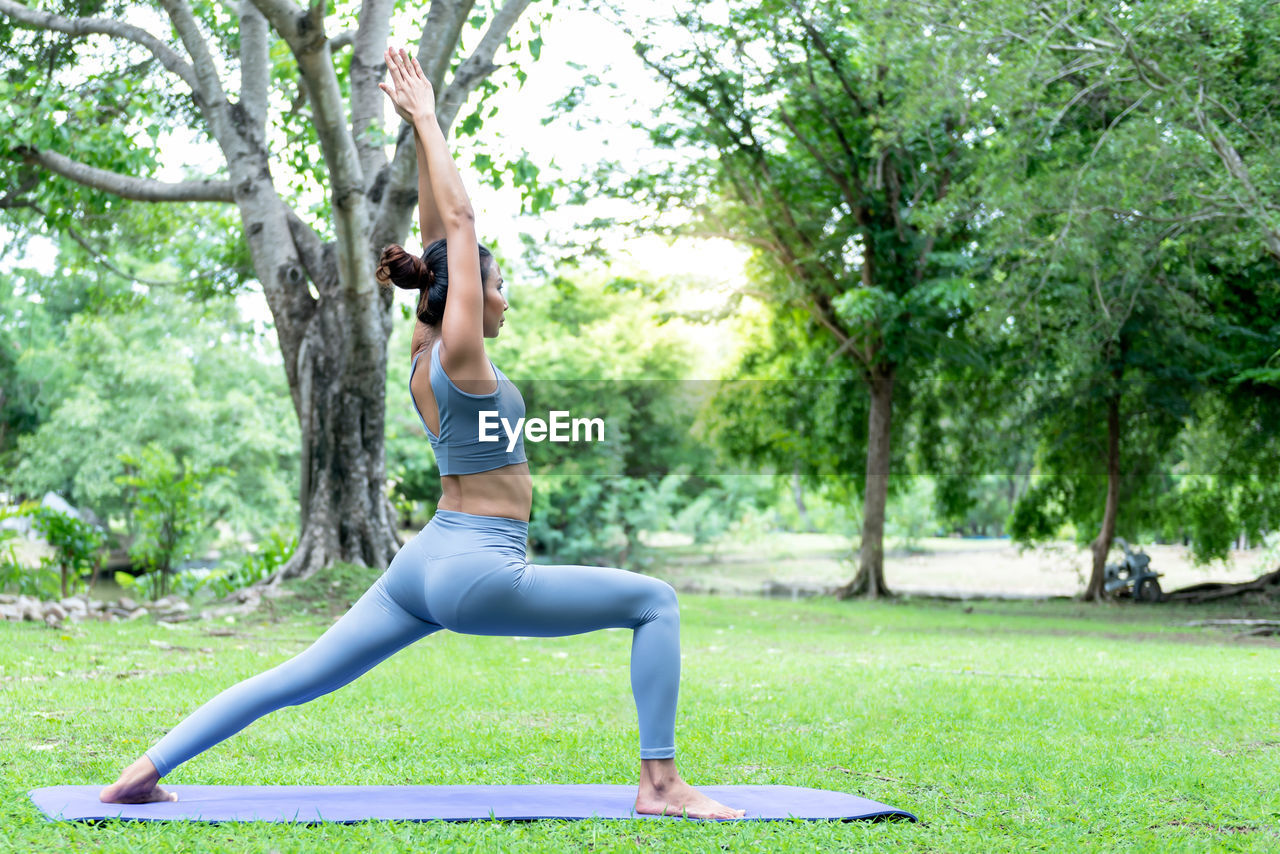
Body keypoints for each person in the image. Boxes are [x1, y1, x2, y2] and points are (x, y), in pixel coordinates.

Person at [99, 45, 744, 822]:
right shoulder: (465, 358)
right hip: (479, 565)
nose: (504, 301)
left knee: (298, 677)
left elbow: (444, 239)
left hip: (426, 561)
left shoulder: (423, 353)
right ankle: (662, 785)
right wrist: (429, 117)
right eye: (497, 287)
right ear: (473, 297)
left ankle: (141, 771)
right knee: (655, 602)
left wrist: (418, 127)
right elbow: (462, 227)